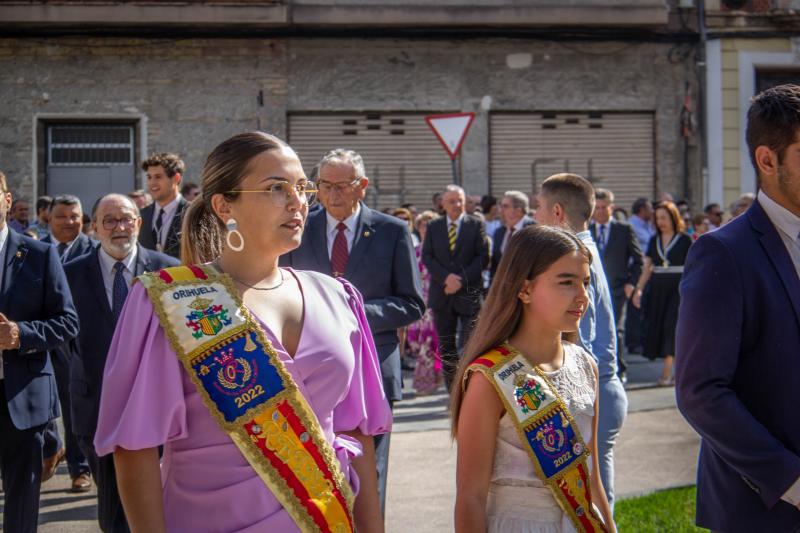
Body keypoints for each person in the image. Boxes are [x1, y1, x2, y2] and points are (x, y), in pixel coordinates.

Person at [95, 132, 391, 532]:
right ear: (223, 205)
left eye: (302, 187)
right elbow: (135, 450)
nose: (298, 202)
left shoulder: (338, 297)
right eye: (276, 188)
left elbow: (358, 431)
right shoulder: (170, 301)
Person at [676, 84, 800, 532]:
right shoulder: (723, 253)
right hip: (764, 511)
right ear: (768, 161)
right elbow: (701, 392)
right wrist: (792, 481)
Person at [280, 148, 423, 515]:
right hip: (311, 370)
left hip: (373, 368)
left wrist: (352, 313)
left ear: (362, 187)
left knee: (369, 474)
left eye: (341, 186)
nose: (331, 194)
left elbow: (411, 302)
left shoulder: (392, 231)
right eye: (324, 185)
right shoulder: (301, 228)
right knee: (314, 468)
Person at [451, 224, 616, 533]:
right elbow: (470, 497)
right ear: (524, 289)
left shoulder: (585, 365)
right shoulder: (490, 377)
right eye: (566, 282)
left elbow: (590, 479)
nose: (582, 296)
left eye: (585, 282)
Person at [65, 193, 178, 532]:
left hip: (157, 408)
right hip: (96, 405)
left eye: (126, 218)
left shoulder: (169, 270)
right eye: (109, 220)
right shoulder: (70, 274)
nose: (119, 227)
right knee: (114, 510)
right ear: (95, 227)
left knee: (158, 504)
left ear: (139, 223)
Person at [534, 173, 627, 510]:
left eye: (539, 208)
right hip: (599, 389)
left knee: (590, 506)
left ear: (557, 212)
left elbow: (578, 344)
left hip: (592, 391)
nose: (536, 217)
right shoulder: (583, 250)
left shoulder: (577, 257)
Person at [0, 170, 79, 533]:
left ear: (6, 200)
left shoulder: (38, 254)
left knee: (21, 501)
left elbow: (67, 322)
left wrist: (20, 334)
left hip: (23, 395)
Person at [41, 194, 94, 489]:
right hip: (39, 338)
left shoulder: (93, 251)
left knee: (72, 404)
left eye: (75, 216)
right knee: (42, 405)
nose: (69, 222)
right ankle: (51, 448)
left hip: (76, 341)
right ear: (49, 217)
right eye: (62, 216)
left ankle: (79, 468)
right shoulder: (34, 250)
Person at [422, 184, 489, 390]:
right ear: (443, 204)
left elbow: (482, 258)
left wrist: (459, 280)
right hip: (442, 295)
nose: (457, 205)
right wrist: (446, 279)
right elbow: (428, 257)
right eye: (452, 201)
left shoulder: (475, 224)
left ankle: (470, 388)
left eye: (460, 200)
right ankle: (453, 392)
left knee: (470, 344)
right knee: (447, 346)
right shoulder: (434, 226)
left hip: (468, 294)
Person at [632, 201, 692, 386]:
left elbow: (693, 267)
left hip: (678, 288)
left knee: (671, 328)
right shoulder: (654, 240)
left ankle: (667, 374)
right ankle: (672, 372)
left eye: (664, 218)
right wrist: (638, 289)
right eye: (657, 218)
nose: (660, 222)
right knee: (658, 327)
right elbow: (647, 267)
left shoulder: (684, 240)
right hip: (658, 290)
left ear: (673, 217)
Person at [590, 188, 643, 383]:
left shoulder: (623, 229)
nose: (601, 211)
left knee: (615, 328)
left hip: (618, 289)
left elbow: (638, 260)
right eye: (598, 207)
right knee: (594, 329)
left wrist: (632, 284)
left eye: (605, 207)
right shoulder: (587, 230)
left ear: (612, 207)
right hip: (592, 289)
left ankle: (618, 368)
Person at [409, 210, 442, 395]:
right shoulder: (414, 250)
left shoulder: (441, 251)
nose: (425, 229)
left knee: (430, 341)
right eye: (422, 225)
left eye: (429, 226)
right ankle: (434, 375)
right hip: (419, 300)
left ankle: (426, 380)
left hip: (436, 301)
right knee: (417, 340)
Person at [137, 153, 188, 258]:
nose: (152, 183)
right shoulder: (141, 215)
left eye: (158, 177)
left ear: (176, 178)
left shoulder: (192, 213)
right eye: (149, 177)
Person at [625, 197, 654, 355]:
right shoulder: (633, 225)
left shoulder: (647, 225)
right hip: (636, 270)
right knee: (635, 307)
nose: (652, 211)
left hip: (646, 270)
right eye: (649, 208)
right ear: (641, 210)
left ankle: (640, 339)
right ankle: (633, 342)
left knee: (642, 306)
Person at [490, 190, 534, 282]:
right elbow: (495, 265)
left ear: (518, 210)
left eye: (505, 207)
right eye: (500, 206)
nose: (500, 210)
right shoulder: (499, 232)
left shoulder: (534, 230)